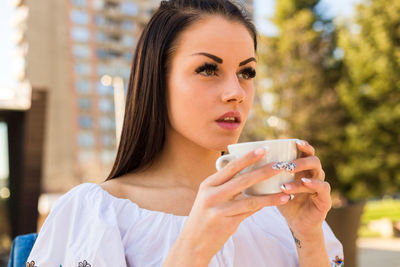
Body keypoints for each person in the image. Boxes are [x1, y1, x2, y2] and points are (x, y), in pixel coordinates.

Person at [27, 0, 344, 266]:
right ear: (157, 80)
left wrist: (308, 233)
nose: (236, 92)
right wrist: (193, 249)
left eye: (246, 72)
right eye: (208, 69)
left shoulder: (279, 210)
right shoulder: (98, 212)